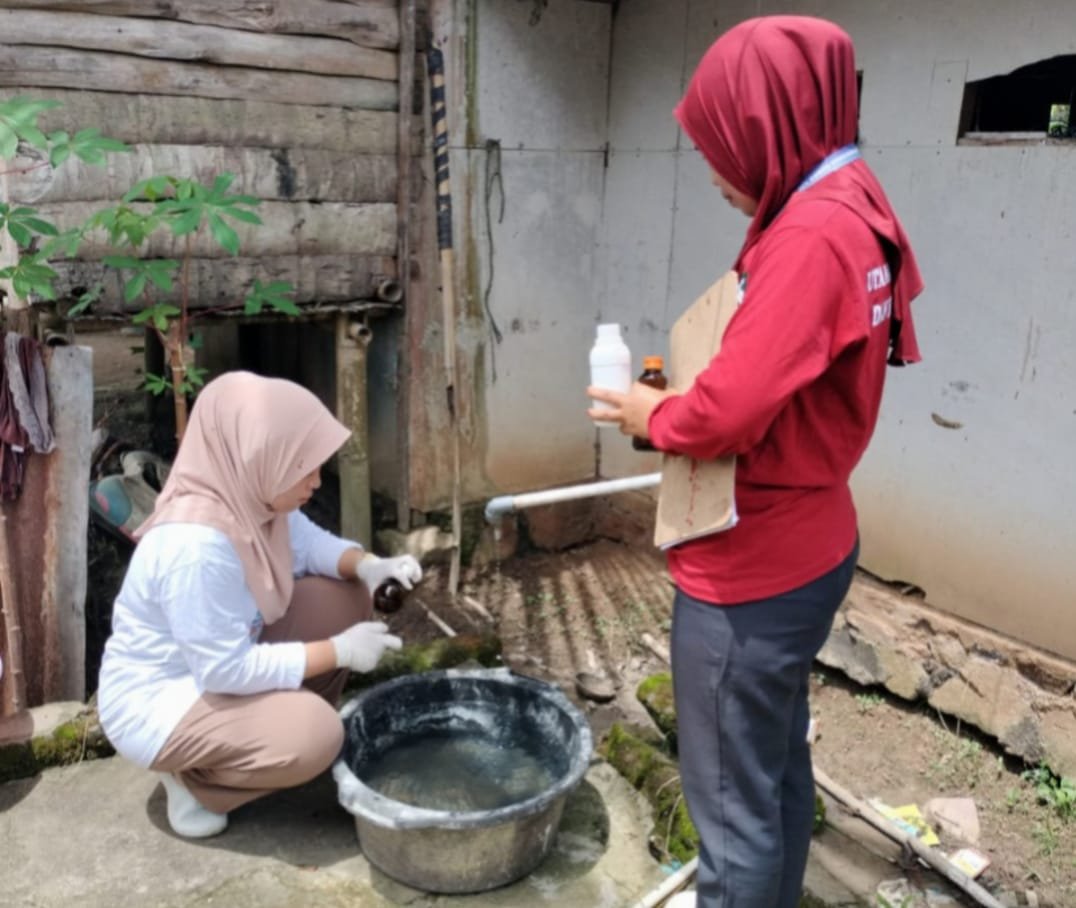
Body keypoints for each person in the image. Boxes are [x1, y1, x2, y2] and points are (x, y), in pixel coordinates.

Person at [588, 16, 923, 908]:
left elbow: (729, 412)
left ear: (771, 122)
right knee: (772, 765)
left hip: (753, 569)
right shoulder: (855, 199)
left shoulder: (811, 234)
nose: (712, 171)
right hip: (813, 541)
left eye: (721, 146)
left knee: (730, 814)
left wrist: (651, 414)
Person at [97, 371, 422, 839]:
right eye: (302, 466)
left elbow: (311, 546)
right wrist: (339, 652)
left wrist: (372, 566)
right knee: (317, 737)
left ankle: (265, 731)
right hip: (162, 701)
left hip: (219, 660)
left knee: (348, 591)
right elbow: (224, 670)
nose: (314, 480)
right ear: (257, 456)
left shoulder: (251, 497)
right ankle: (199, 782)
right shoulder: (195, 549)